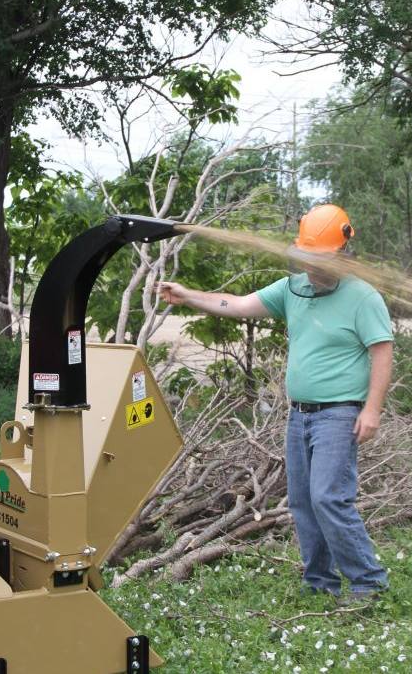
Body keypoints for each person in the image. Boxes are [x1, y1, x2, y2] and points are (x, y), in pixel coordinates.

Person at [156, 204, 393, 605]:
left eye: (321, 259)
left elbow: (382, 354)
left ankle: (368, 583)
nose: (313, 267)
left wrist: (372, 410)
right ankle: (319, 582)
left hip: (339, 415)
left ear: (342, 253)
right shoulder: (291, 289)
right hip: (299, 415)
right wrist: (188, 296)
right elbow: (237, 305)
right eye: (307, 258)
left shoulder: (363, 297)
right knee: (302, 501)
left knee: (328, 498)